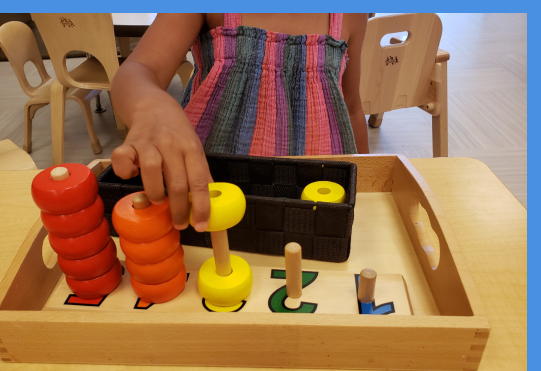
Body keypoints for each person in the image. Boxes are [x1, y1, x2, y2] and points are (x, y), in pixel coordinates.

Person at [111, 13, 370, 233]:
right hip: (212, 183)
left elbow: (352, 106)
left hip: (319, 188)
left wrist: (370, 185)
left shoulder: (352, 11)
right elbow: (139, 68)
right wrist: (150, 107)